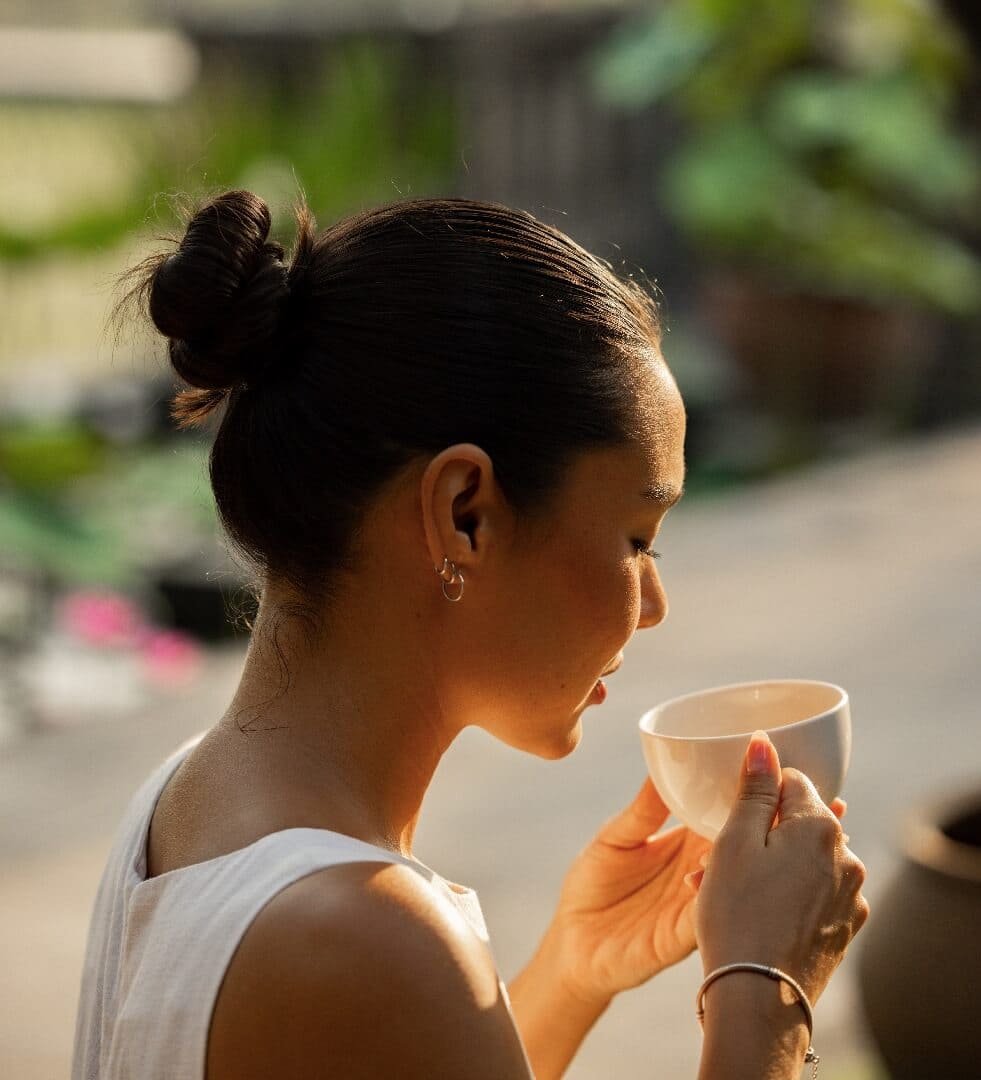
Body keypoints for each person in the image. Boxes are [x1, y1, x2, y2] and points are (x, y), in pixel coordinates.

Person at [72, 191, 868, 1080]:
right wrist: (763, 992)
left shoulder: (184, 801)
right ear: (465, 514)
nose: (652, 604)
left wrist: (571, 971)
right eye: (637, 539)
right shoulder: (358, 929)